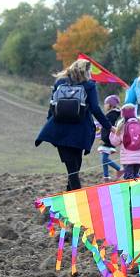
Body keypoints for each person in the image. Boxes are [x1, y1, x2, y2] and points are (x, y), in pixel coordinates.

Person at [35, 59, 113, 190]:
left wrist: (50, 122)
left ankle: (69, 193)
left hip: (60, 130)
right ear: (86, 71)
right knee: (74, 168)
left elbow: (51, 106)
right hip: (80, 133)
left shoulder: (60, 82)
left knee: (72, 168)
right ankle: (77, 196)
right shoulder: (89, 85)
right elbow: (95, 108)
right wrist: (109, 126)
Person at [109, 104, 140, 180]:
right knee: (135, 174)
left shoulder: (122, 126)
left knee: (128, 178)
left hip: (127, 160)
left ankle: (135, 190)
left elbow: (115, 142)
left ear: (123, 115)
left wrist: (112, 132)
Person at [99, 94, 122, 181]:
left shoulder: (112, 115)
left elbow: (109, 128)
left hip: (108, 139)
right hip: (106, 139)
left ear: (111, 105)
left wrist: (104, 139)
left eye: (106, 103)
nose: (104, 105)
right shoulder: (112, 114)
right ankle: (106, 176)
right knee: (103, 158)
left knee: (104, 158)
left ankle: (119, 169)